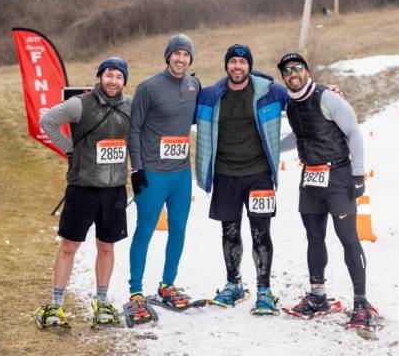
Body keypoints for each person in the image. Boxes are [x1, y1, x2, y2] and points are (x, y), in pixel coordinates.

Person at [276, 52, 377, 335]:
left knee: (347, 238)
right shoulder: (291, 104)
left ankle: (361, 302)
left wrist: (358, 175)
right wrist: (269, 146)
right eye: (287, 71)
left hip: (338, 175)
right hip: (310, 176)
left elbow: (354, 133)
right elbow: (298, 137)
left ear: (307, 71)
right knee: (314, 237)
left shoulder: (327, 97)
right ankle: (317, 295)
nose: (293, 74)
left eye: (298, 68)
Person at [34, 57, 131, 328]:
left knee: (106, 246)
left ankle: (101, 302)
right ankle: (56, 304)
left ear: (124, 81)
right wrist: (69, 149)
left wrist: (137, 170)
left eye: (118, 76)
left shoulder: (129, 105)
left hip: (114, 190)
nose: (113, 81)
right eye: (108, 75)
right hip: (83, 187)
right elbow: (48, 120)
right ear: (99, 77)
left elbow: (132, 138)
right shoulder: (81, 103)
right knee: (69, 246)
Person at [195, 44, 288, 315]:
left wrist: (327, 92)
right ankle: (234, 284)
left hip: (259, 175)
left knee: (261, 233)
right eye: (233, 61)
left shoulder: (269, 92)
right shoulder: (211, 95)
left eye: (242, 62)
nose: (237, 66)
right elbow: (178, 111)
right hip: (225, 175)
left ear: (250, 66)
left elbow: (302, 96)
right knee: (230, 232)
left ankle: (264, 290)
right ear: (227, 65)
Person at [124, 34, 200, 325]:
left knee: (178, 229)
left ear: (190, 59)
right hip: (153, 173)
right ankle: (135, 291)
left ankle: (167, 284)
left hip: (181, 174)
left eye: (186, 54)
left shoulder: (194, 86)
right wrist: (137, 168)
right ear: (168, 56)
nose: (181, 59)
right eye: (176, 54)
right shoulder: (148, 87)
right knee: (144, 231)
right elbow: (135, 130)